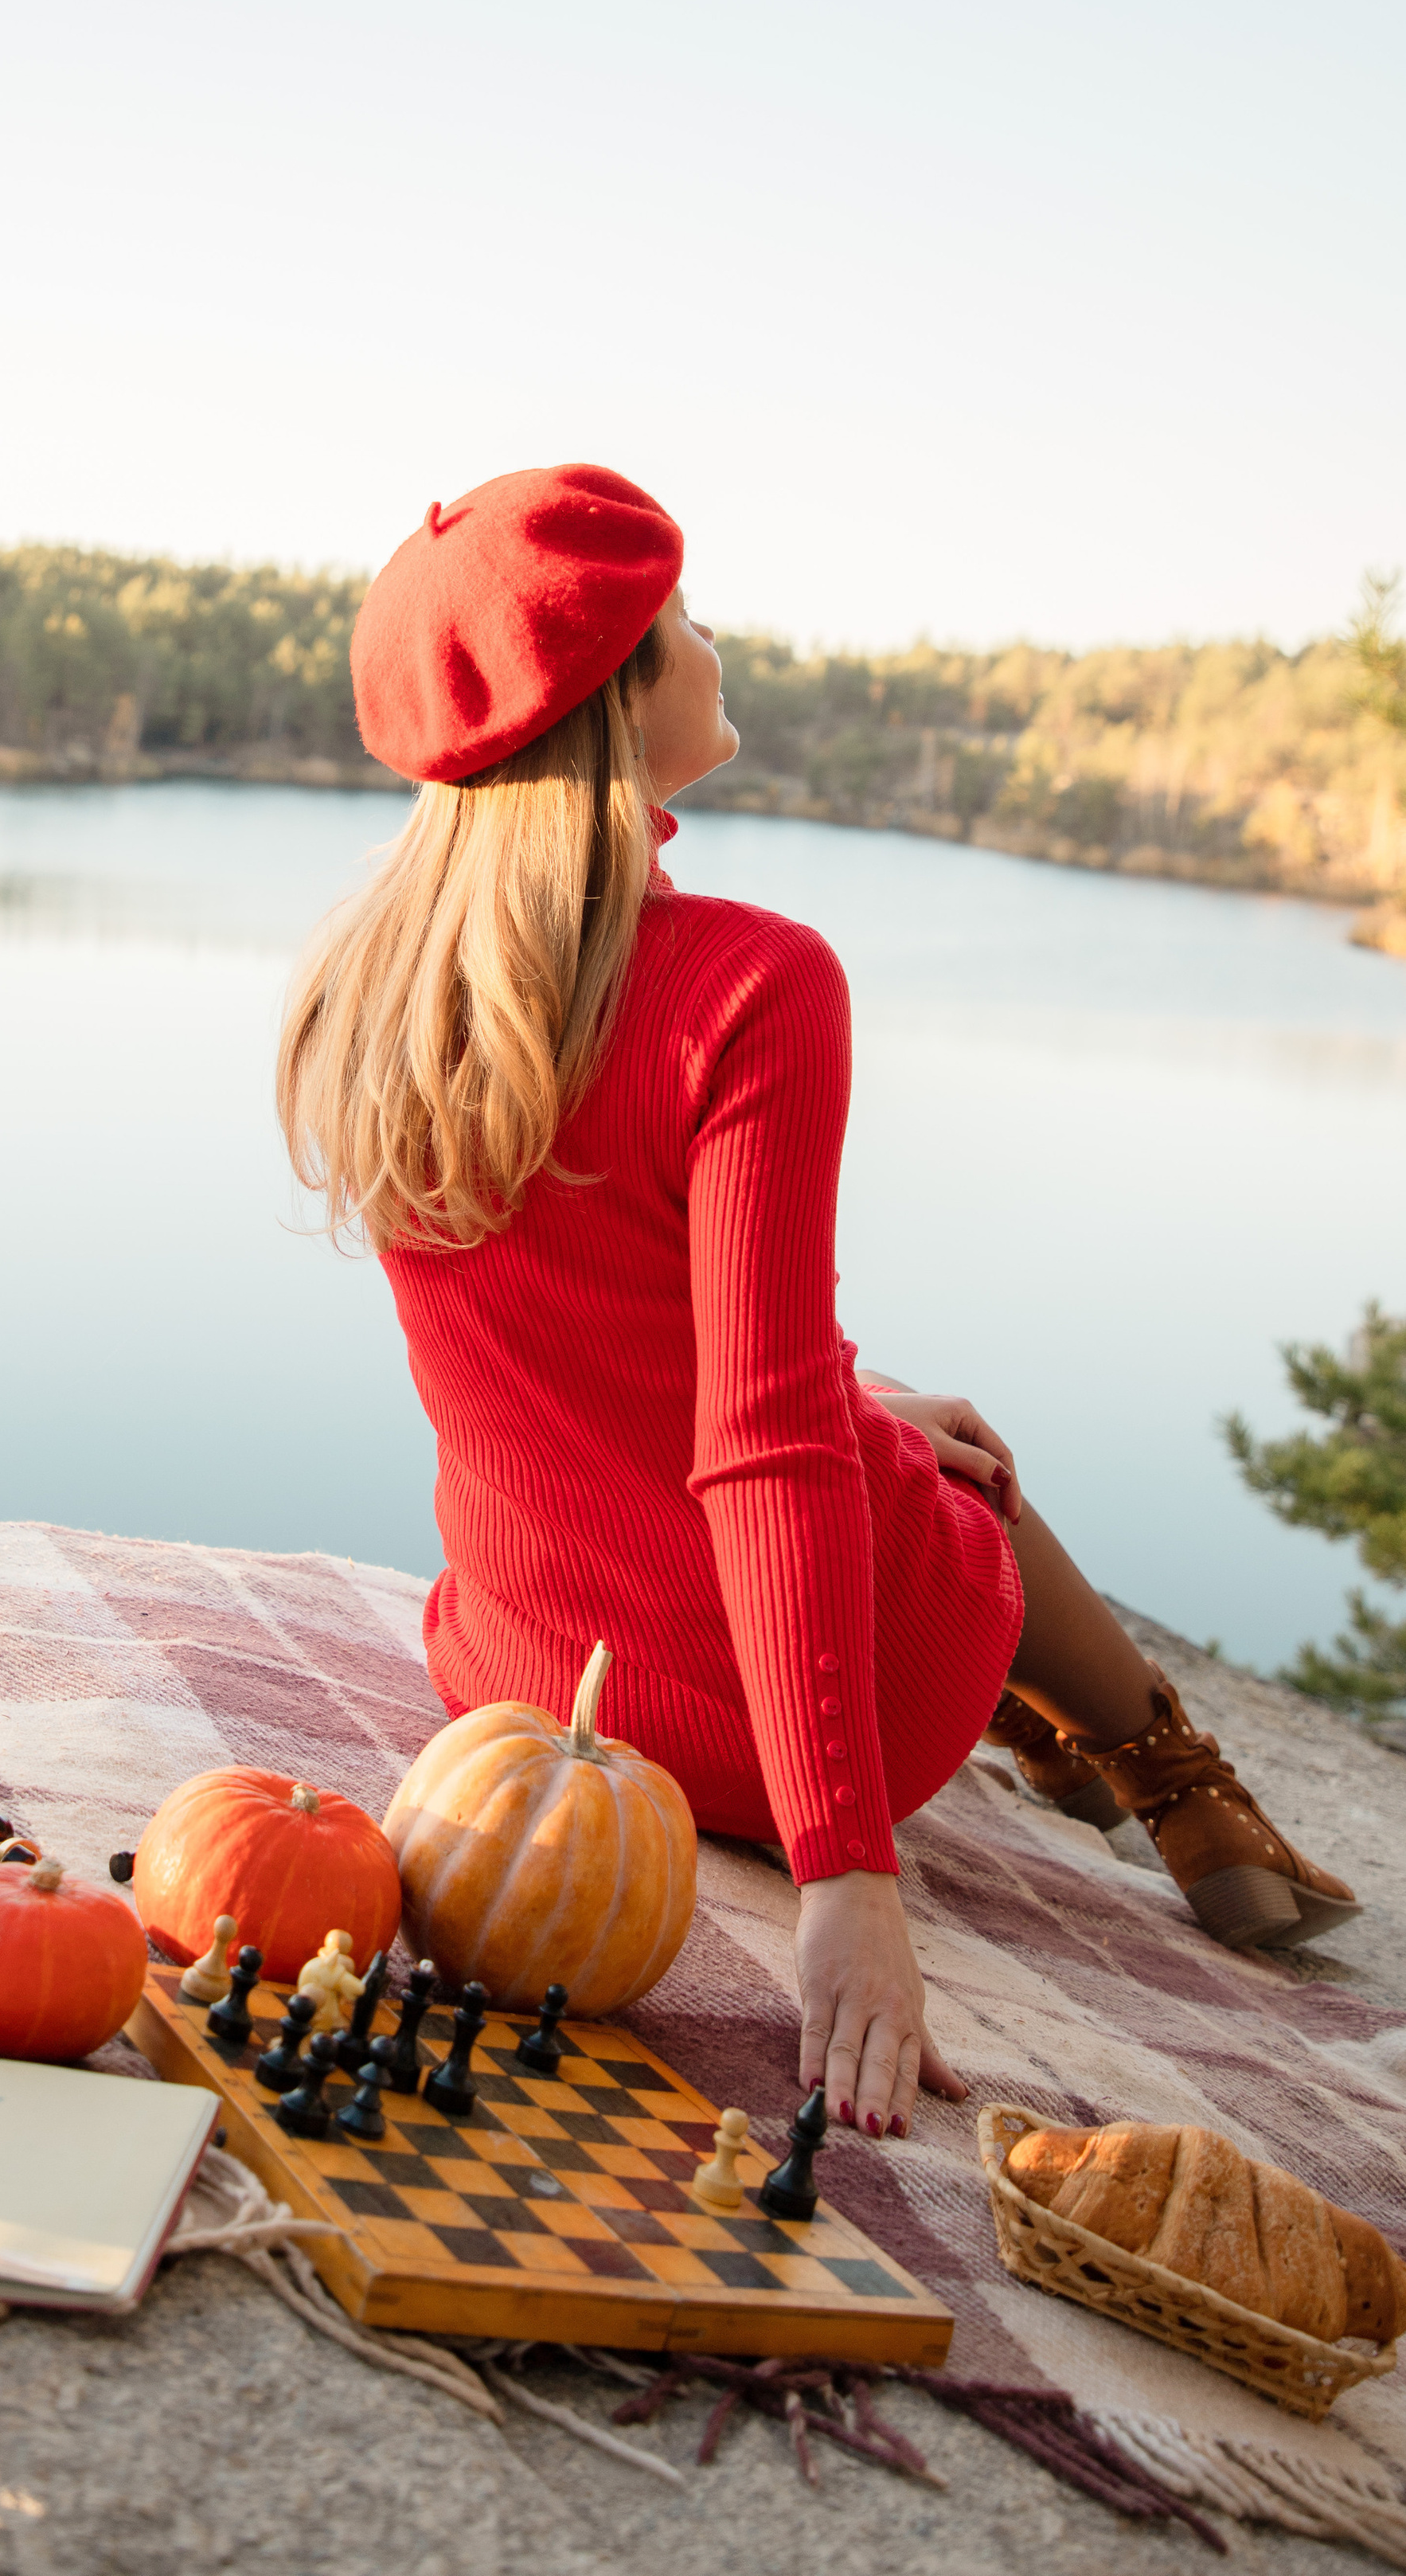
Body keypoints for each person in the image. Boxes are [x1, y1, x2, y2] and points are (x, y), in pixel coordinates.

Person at [277, 464, 1357, 2146]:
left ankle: (1125, 1756)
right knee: (950, 1474)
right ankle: (1172, 1783)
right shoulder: (751, 983)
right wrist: (848, 1876)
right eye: (685, 618)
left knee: (881, 1418)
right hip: (775, 1757)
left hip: (533, 1688)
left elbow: (602, 1365)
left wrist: (851, 1409)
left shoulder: (375, 992)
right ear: (617, 690)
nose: (715, 640)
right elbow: (760, 1448)